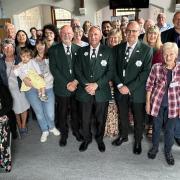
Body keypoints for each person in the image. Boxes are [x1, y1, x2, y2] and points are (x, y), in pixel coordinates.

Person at [112, 21, 153, 155]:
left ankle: (137, 141)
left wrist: (128, 87)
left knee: (138, 119)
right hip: (120, 90)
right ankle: (123, 136)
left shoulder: (147, 50)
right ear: (125, 32)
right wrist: (119, 85)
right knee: (123, 115)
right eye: (128, 30)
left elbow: (145, 73)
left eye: (134, 31)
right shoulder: (117, 48)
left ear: (139, 32)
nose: (131, 33)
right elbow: (113, 69)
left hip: (137, 92)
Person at [75, 26, 113, 152]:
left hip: (101, 91)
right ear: (88, 36)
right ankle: (87, 139)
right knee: (84, 119)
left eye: (96, 34)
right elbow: (78, 70)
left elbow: (110, 72)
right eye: (91, 35)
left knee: (101, 119)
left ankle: (100, 139)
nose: (93, 37)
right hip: (84, 91)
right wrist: (86, 85)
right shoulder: (81, 51)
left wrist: (97, 85)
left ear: (101, 36)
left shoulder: (108, 51)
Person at [146, 42, 180, 166]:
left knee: (170, 131)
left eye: (171, 54)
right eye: (166, 54)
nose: (168, 57)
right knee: (156, 128)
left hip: (174, 106)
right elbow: (149, 85)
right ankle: (154, 148)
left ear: (176, 55)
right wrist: (148, 103)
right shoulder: (156, 67)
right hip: (157, 104)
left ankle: (168, 152)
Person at [49, 25, 81, 147]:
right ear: (60, 35)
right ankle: (64, 134)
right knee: (62, 113)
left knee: (75, 111)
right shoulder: (53, 50)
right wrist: (67, 83)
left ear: (73, 34)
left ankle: (76, 131)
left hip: (76, 87)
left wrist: (75, 82)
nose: (66, 35)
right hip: (62, 88)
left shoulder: (78, 49)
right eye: (64, 33)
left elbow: (82, 69)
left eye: (69, 33)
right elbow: (54, 69)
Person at [22, 39, 60, 142]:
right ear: (35, 46)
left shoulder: (50, 57)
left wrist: (44, 80)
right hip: (32, 90)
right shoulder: (31, 59)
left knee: (50, 113)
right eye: (38, 44)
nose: (40, 46)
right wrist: (24, 78)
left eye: (42, 44)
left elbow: (55, 71)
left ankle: (51, 127)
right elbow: (22, 69)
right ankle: (45, 130)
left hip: (48, 88)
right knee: (39, 112)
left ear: (45, 45)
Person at [0, 38, 30, 135]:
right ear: (3, 50)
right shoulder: (0, 62)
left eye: (10, 47)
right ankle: (19, 123)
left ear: (14, 48)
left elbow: (28, 69)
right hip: (8, 89)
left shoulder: (19, 58)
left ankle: (23, 126)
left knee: (24, 106)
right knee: (15, 108)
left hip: (21, 87)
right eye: (6, 47)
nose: (8, 50)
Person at [161, 11, 180, 146]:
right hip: (168, 73)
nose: (179, 21)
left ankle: (177, 134)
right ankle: (170, 132)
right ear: (173, 20)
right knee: (171, 104)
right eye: (177, 19)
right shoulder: (165, 34)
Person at [104, 29, 122, 137]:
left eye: (116, 37)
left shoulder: (122, 51)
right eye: (111, 37)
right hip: (107, 83)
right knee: (109, 106)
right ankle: (108, 129)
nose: (113, 39)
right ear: (108, 39)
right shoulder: (104, 50)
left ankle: (116, 128)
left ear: (119, 39)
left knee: (117, 106)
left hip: (119, 83)